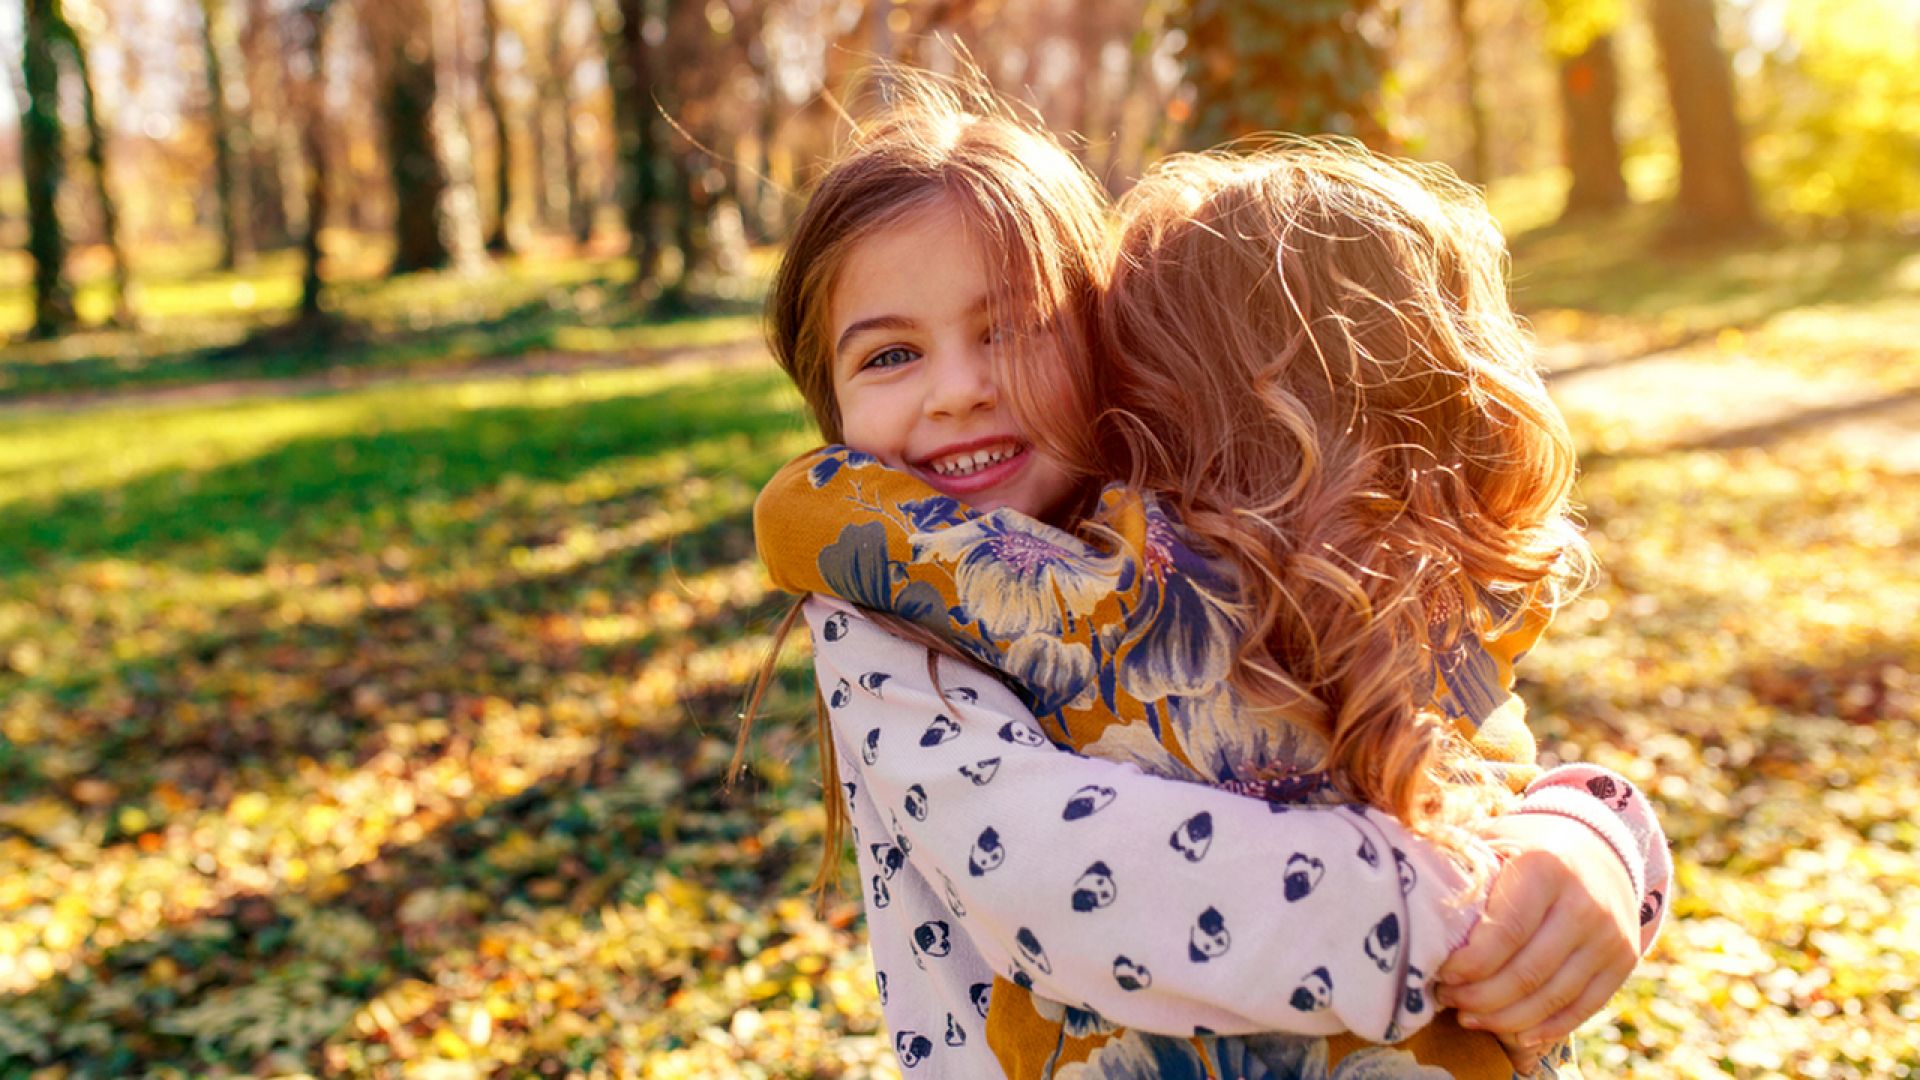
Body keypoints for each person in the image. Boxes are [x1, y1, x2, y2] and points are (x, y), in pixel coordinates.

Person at [745, 71, 1669, 1079]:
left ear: (1109, 342)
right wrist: (1467, 910)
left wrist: (1594, 838)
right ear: (827, 397)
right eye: (889, 356)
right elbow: (1050, 884)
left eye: (1010, 326)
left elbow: (1454, 735)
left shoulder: (1205, 534)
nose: (961, 390)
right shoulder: (881, 616)